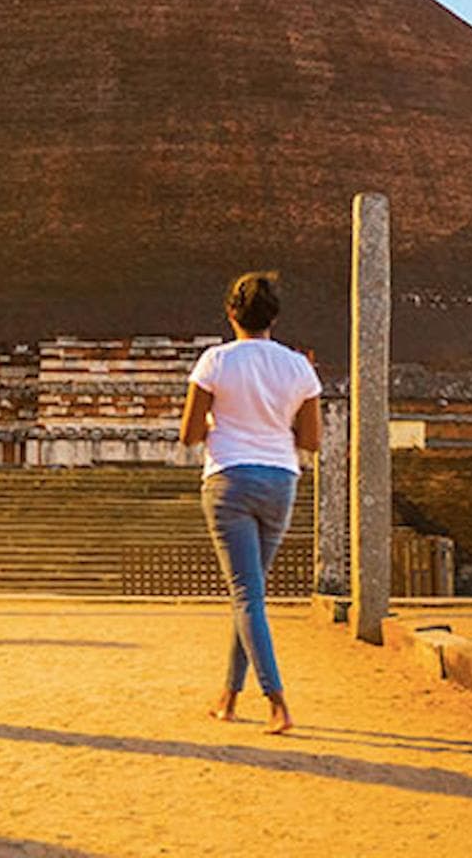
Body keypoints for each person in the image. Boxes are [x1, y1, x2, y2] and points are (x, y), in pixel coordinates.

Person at [178, 271, 322, 735]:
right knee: (250, 594)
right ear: (273, 318)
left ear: (231, 313)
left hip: (229, 480)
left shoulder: (216, 361)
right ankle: (228, 696)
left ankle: (277, 703)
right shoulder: (299, 367)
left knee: (246, 595)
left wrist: (222, 424)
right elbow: (311, 440)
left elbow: (189, 434)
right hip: (280, 480)